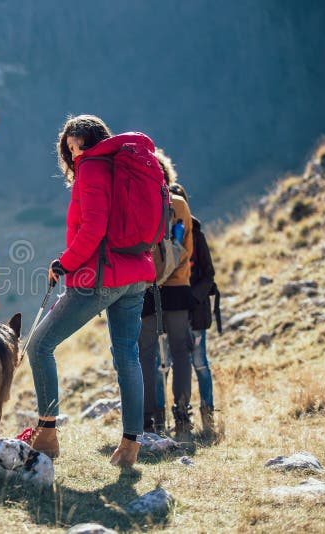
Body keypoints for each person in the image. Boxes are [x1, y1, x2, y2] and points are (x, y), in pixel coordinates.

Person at [25, 115, 157, 467]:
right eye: (68, 149)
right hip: (136, 273)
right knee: (127, 357)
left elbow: (94, 227)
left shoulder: (92, 169)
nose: (72, 154)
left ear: (86, 141)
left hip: (101, 276)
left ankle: (48, 434)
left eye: (73, 146)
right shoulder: (125, 166)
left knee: (39, 346)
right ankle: (130, 445)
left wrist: (64, 264)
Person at [138, 149, 197, 436]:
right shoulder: (179, 205)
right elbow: (187, 249)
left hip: (145, 287)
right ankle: (182, 414)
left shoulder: (138, 203)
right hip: (177, 287)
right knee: (180, 352)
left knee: (145, 354)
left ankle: (149, 418)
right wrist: (172, 271)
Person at [169, 182, 217, 433]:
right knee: (168, 365)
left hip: (195, 312)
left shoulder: (196, 234)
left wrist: (191, 297)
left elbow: (209, 274)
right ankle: (176, 417)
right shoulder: (166, 237)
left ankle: (208, 414)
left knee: (200, 363)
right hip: (174, 311)